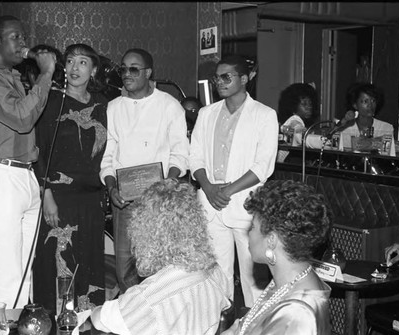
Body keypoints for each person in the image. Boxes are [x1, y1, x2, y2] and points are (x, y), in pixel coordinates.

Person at [0, 15, 56, 308]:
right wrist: (46, 74)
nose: (23, 43)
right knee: (1, 282)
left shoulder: (13, 79)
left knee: (23, 277)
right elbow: (21, 118)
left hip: (23, 177)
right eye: (16, 37)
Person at [189, 54, 279, 307]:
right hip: (210, 203)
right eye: (217, 77)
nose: (220, 82)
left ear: (244, 78)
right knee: (216, 277)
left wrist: (228, 190)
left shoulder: (264, 115)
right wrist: (207, 187)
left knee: (253, 281)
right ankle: (221, 322)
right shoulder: (207, 113)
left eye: (226, 77)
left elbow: (263, 166)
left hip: (244, 204)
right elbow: (194, 156)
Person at [99, 48, 189, 294]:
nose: (126, 74)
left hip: (158, 202)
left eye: (133, 69)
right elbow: (107, 156)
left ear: (148, 72)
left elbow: (181, 153)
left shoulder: (169, 106)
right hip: (124, 201)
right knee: (124, 268)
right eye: (123, 68)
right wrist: (111, 187)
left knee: (158, 267)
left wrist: (164, 186)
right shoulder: (113, 108)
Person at [91, 179, 232, 335]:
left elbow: (102, 320)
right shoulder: (214, 272)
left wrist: (92, 312)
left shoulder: (151, 296)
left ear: (145, 231)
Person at [32, 43, 108, 314]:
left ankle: (87, 322)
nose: (75, 68)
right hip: (59, 199)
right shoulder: (52, 101)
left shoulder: (102, 105)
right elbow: (37, 150)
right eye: (71, 62)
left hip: (91, 199)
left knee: (88, 260)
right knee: (58, 259)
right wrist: (46, 194)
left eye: (83, 63)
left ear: (94, 69)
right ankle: (52, 322)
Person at [222, 180, 332, 335]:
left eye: (253, 227)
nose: (249, 233)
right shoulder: (288, 279)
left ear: (271, 240)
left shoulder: (297, 314)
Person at [337, 83, 395, 156]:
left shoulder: (386, 128)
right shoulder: (345, 129)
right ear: (355, 105)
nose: (370, 105)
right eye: (365, 101)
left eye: (373, 101)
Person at [276, 83, 319, 162]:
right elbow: (301, 134)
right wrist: (324, 142)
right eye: (304, 104)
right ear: (293, 106)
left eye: (310, 104)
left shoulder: (293, 120)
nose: (309, 107)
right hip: (287, 163)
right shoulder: (295, 121)